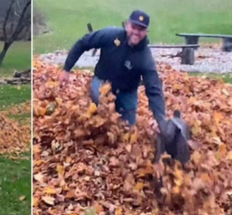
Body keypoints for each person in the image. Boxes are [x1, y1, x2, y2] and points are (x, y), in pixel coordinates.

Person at [59, 9, 172, 138]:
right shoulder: (110, 35)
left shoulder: (145, 58)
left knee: (127, 132)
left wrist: (161, 119)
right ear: (127, 25)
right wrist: (66, 69)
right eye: (134, 27)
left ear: (146, 32)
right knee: (99, 123)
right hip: (102, 83)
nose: (136, 32)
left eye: (141, 29)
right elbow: (83, 43)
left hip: (127, 92)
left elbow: (154, 88)